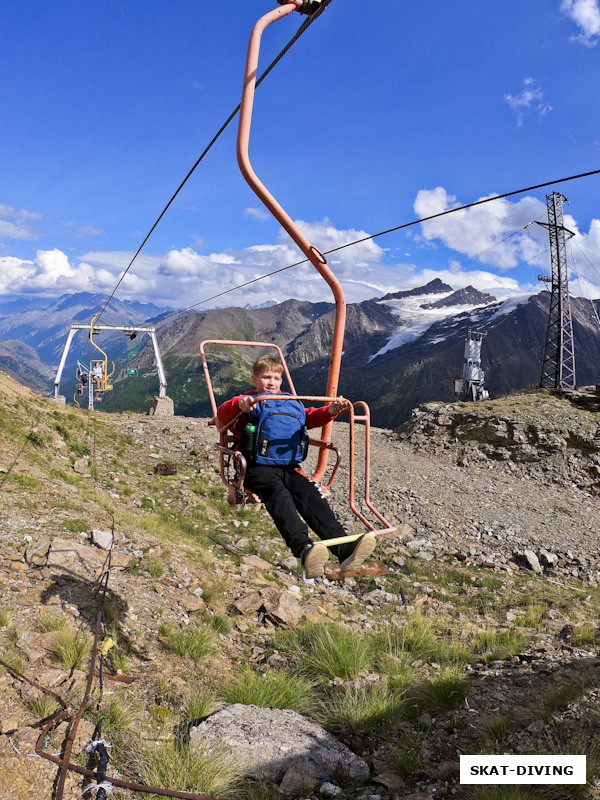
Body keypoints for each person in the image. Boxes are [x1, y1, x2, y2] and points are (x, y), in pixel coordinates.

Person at [217, 355, 376, 579]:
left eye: (276, 377)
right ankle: (304, 548)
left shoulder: (290, 401)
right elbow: (221, 417)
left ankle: (343, 547)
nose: (271, 382)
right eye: (266, 377)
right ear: (254, 379)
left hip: (288, 464)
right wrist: (239, 404)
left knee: (310, 494)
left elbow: (308, 418)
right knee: (278, 495)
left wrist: (330, 411)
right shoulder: (248, 401)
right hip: (254, 467)